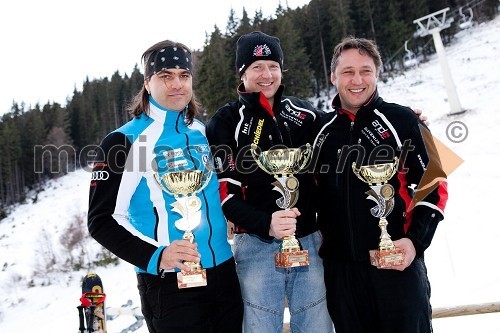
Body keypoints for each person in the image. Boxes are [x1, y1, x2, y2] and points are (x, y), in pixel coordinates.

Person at [87, 40, 243, 333]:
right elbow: (102, 220)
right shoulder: (126, 141)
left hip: (224, 273)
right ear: (147, 83)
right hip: (169, 283)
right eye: (165, 76)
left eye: (184, 75)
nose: (177, 84)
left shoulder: (202, 132)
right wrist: (157, 256)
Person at [312, 36, 448, 333]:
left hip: (397, 265)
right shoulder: (318, 130)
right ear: (333, 76)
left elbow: (435, 183)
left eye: (365, 70)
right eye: (347, 71)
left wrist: (415, 242)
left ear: (377, 74)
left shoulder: (404, 120)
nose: (357, 80)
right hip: (341, 272)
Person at [206, 31, 334, 333]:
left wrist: (408, 120)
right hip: (256, 245)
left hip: (310, 242)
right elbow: (225, 195)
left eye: (273, 65)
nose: (267, 74)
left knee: (316, 327)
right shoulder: (225, 122)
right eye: (257, 67)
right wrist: (267, 224)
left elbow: (345, 130)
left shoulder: (304, 114)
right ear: (242, 72)